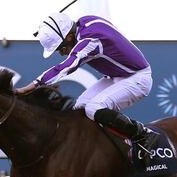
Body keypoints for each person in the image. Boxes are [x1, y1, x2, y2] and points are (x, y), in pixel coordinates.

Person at [15, 13, 155, 148]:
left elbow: (66, 66)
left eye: (61, 48)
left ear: (70, 37)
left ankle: (142, 134)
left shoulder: (90, 41)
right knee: (79, 109)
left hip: (137, 77)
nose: (62, 53)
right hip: (117, 76)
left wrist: (32, 86)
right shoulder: (84, 21)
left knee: (94, 108)